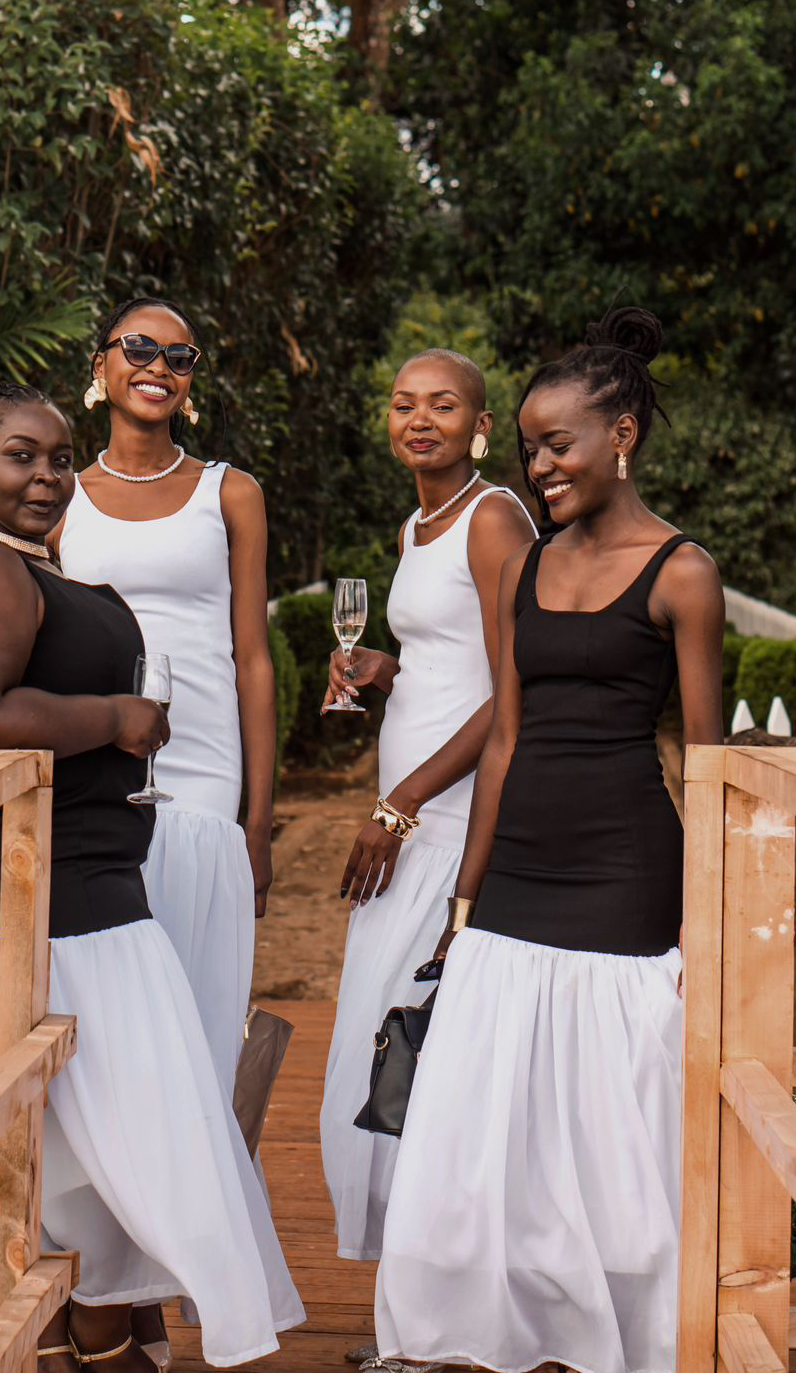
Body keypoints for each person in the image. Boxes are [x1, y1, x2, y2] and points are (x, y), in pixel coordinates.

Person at [0, 382, 303, 1371]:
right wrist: (115, 722)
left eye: (57, 458)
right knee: (125, 1133)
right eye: (18, 457)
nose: (45, 474)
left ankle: (90, 1335)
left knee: (96, 1145)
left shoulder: (36, 576)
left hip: (81, 892)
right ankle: (90, 1336)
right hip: (35, 904)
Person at [371, 308, 725, 1373]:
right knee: (482, 1119)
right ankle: (482, 1337)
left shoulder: (681, 572)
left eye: (556, 443)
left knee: (604, 1121)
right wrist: (463, 902)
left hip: (625, 870)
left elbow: (702, 764)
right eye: (528, 446)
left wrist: (700, 935)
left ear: (619, 435)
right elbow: (506, 738)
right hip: (516, 868)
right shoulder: (530, 561)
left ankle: (607, 1338)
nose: (539, 465)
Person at [319, 348, 535, 1301]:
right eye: (404, 403)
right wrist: (386, 674)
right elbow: (452, 671)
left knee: (417, 1062)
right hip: (408, 817)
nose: (420, 419)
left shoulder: (494, 520)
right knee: (386, 1052)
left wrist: (399, 803)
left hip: (451, 823)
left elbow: (518, 687)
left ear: (479, 425)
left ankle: (441, 1307)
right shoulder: (417, 526)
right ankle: (416, 1301)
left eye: (443, 406)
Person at [52, 297, 273, 1094]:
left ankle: (192, 1179)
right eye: (139, 347)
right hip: (96, 773)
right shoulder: (59, 502)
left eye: (179, 357)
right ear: (101, 366)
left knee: (195, 1007)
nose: (158, 366)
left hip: (205, 774)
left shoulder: (231, 493)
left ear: (190, 383)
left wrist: (257, 819)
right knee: (110, 1014)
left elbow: (254, 660)